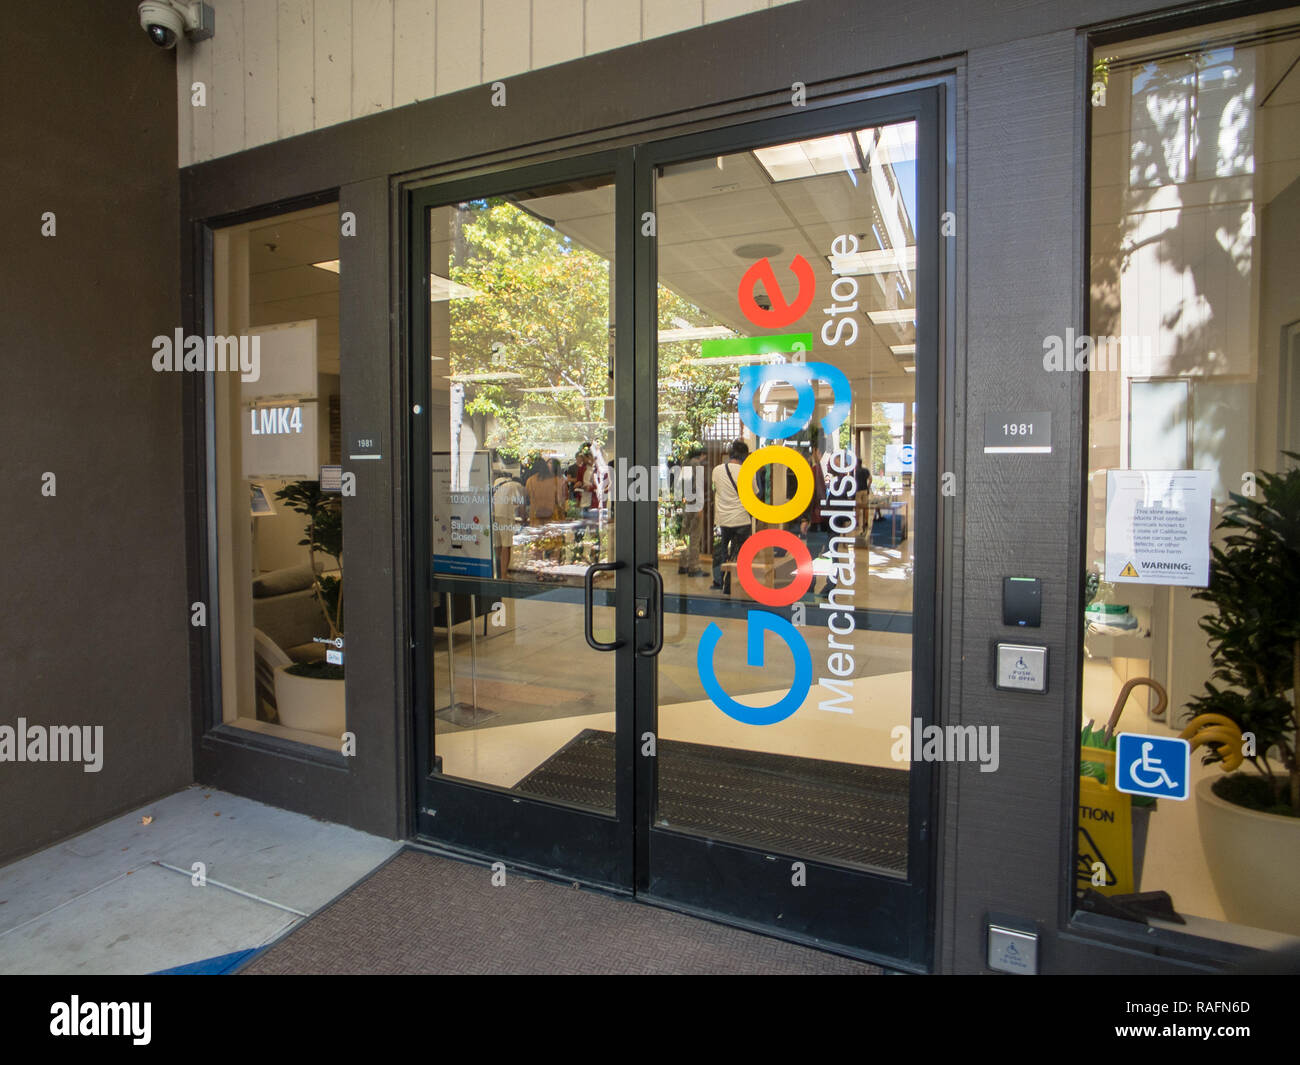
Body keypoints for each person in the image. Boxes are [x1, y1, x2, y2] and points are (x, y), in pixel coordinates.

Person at [710, 438, 751, 593]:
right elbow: (754, 494)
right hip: (741, 520)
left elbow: (715, 488)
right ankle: (731, 583)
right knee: (740, 553)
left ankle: (718, 581)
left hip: (721, 520)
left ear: (730, 454)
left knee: (720, 551)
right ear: (744, 456)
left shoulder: (717, 470)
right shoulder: (747, 472)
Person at [675, 445, 706, 577]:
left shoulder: (685, 464)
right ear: (702, 454)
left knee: (684, 535)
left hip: (686, 503)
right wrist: (699, 506)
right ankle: (694, 567)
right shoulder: (697, 465)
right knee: (695, 535)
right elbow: (698, 486)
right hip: (694, 503)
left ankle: (683, 565)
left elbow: (678, 485)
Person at [491, 471, 526, 576]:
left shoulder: (498, 481)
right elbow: (521, 505)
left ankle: (497, 571)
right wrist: (524, 519)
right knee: (507, 545)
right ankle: (504, 574)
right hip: (505, 515)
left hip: (493, 514)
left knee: (498, 544)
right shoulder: (517, 486)